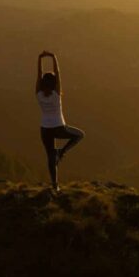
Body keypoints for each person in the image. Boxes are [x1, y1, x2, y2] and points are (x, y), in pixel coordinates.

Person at [36, 50, 85, 192]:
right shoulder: (56, 94)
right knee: (80, 135)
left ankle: (55, 185)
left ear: (43, 83)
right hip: (59, 127)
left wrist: (40, 59)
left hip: (45, 129)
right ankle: (62, 152)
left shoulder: (38, 94)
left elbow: (38, 76)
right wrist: (53, 57)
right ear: (54, 83)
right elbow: (58, 73)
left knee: (50, 157)